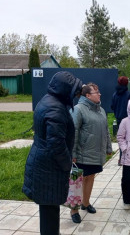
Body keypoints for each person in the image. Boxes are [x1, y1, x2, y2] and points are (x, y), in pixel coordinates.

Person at [22, 71, 83, 235]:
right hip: (48, 167)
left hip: (44, 164)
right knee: (49, 210)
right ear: (65, 90)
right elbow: (56, 143)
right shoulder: (55, 109)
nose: (76, 94)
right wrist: (67, 164)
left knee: (50, 209)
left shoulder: (50, 100)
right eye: (74, 90)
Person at [69, 83, 112, 223]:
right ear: (87, 95)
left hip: (95, 153)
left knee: (91, 177)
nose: (99, 94)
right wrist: (73, 153)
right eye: (96, 92)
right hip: (81, 153)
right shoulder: (78, 109)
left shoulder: (101, 110)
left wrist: (108, 147)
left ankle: (85, 203)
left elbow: (106, 131)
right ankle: (73, 210)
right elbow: (73, 132)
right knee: (77, 182)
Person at [111, 76, 130, 165]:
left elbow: (112, 107)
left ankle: (121, 158)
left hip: (119, 119)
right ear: (127, 83)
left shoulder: (114, 94)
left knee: (121, 138)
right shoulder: (129, 95)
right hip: (129, 120)